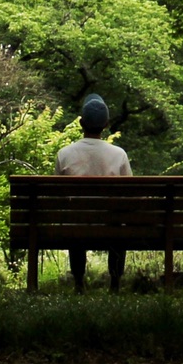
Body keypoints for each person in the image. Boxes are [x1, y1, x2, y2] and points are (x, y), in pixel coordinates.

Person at [55, 93, 130, 292]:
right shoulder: (119, 154)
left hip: (77, 227)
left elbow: (59, 197)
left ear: (81, 123)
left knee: (76, 219)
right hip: (111, 227)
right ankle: (115, 282)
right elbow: (129, 196)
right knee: (118, 224)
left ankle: (79, 281)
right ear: (106, 125)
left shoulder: (64, 154)